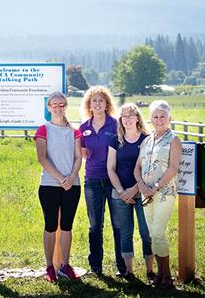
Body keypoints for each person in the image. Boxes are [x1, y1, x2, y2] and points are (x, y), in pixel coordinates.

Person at [134, 100, 182, 289]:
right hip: (146, 193)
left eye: (163, 116)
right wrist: (141, 185)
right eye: (155, 116)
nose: (159, 119)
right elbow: (137, 168)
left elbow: (173, 167)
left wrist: (155, 186)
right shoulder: (146, 140)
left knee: (157, 232)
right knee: (153, 235)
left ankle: (167, 276)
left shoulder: (173, 140)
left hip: (164, 192)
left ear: (169, 118)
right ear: (151, 119)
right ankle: (161, 275)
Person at [34, 91, 82, 282]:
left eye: (62, 104)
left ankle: (65, 265)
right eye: (54, 104)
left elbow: (78, 157)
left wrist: (71, 177)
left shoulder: (74, 130)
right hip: (49, 185)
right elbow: (42, 158)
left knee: (67, 226)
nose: (58, 107)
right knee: (51, 225)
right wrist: (61, 178)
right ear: (48, 107)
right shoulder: (43, 130)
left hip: (72, 185)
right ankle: (49, 267)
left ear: (66, 106)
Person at [79, 86, 126, 276]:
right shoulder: (84, 128)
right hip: (92, 180)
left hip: (113, 180)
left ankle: (122, 266)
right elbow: (83, 154)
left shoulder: (116, 125)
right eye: (94, 101)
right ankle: (95, 266)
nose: (98, 104)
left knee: (118, 224)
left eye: (101, 100)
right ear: (89, 105)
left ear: (107, 104)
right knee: (95, 225)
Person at [107, 103, 154, 281]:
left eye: (130, 115)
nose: (126, 119)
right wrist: (121, 191)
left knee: (145, 231)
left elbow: (149, 169)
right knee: (125, 232)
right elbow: (110, 168)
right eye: (123, 116)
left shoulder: (147, 139)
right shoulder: (115, 140)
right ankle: (129, 272)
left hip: (143, 193)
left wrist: (134, 189)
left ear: (137, 118)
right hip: (119, 194)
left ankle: (150, 271)